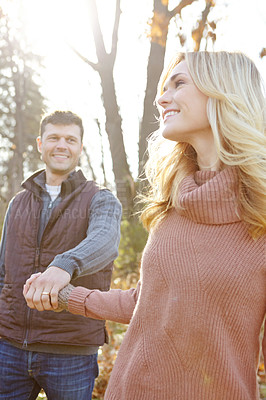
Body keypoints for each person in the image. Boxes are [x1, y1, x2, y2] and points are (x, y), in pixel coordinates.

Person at [25, 52, 265, 400]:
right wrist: (66, 296)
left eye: (179, 83)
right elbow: (147, 301)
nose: (161, 97)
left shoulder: (260, 219)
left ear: (223, 91)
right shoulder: (171, 208)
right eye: (163, 87)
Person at [0, 110, 122, 400]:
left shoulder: (101, 199)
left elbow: (104, 241)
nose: (62, 145)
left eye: (70, 139)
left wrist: (64, 265)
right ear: (41, 144)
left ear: (80, 147)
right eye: (54, 138)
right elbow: (4, 268)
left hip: (70, 350)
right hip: (9, 348)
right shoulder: (18, 202)